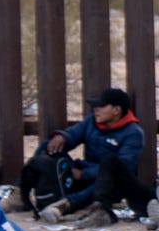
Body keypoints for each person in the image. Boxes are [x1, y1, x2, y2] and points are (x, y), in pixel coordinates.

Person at [24, 90, 152, 219]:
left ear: (116, 110)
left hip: (110, 183)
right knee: (47, 147)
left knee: (108, 170)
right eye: (95, 106)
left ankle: (66, 205)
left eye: (101, 106)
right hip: (84, 172)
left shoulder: (133, 133)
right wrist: (62, 137)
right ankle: (23, 195)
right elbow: (74, 134)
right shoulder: (92, 121)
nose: (96, 110)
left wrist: (84, 174)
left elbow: (124, 167)